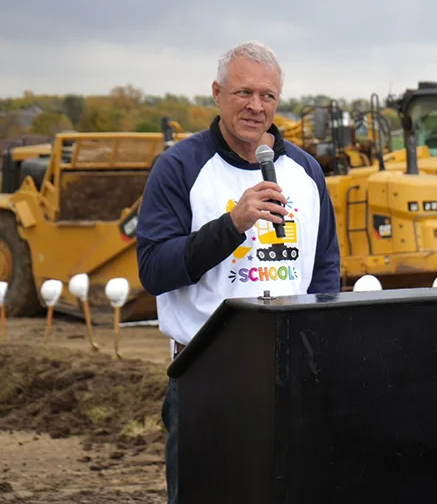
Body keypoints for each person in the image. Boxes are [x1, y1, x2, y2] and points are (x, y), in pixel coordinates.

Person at [136, 40, 341, 504]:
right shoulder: (180, 168)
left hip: (288, 372)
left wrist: (318, 349)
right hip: (208, 373)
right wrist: (232, 225)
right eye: (243, 92)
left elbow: (325, 266)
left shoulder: (305, 171)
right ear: (217, 93)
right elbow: (154, 270)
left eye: (268, 96)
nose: (256, 106)